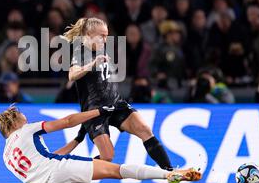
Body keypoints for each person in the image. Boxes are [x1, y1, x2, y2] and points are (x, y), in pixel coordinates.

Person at [0, 105, 201, 183]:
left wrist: (77, 140)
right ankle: (169, 175)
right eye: (22, 116)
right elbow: (66, 121)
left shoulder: (6, 156)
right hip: (59, 168)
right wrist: (100, 112)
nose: (26, 118)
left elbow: (46, 158)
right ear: (13, 121)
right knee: (118, 170)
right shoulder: (27, 130)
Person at [61, 17, 174, 170]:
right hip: (95, 110)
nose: (104, 39)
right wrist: (92, 64)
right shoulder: (81, 52)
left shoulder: (102, 50)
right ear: (88, 34)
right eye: (101, 35)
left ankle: (170, 172)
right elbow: (72, 75)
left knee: (145, 130)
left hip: (115, 104)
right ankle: (73, 172)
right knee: (107, 156)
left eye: (106, 35)